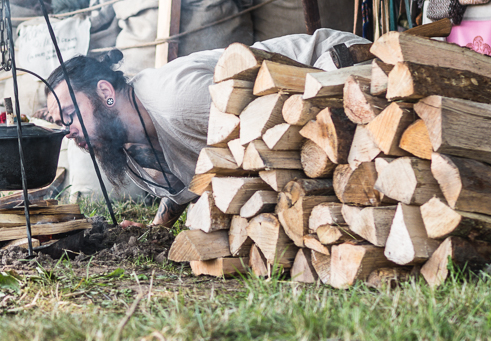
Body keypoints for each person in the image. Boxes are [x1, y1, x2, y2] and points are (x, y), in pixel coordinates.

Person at [43, 29, 368, 226]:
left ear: (105, 92)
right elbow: (196, 169)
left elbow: (268, 132)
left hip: (341, 72)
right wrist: (160, 225)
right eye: (60, 123)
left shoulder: (176, 100)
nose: (67, 130)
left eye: (70, 114)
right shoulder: (126, 142)